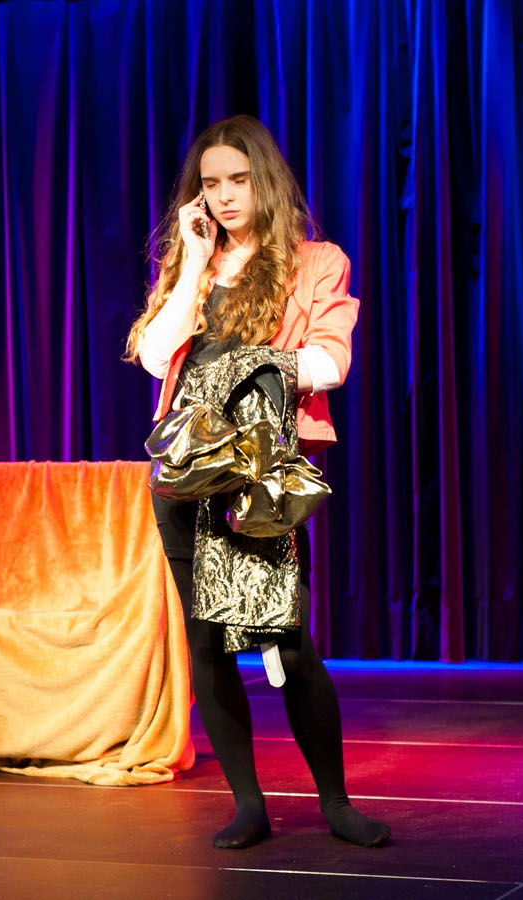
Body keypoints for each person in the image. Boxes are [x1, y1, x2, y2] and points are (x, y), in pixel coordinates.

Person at [124, 115, 391, 849]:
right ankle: (247, 804)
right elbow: (155, 358)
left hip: (260, 472)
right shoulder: (195, 263)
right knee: (207, 642)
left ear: (263, 181)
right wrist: (191, 262)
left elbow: (329, 361)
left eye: (238, 180)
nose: (224, 195)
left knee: (287, 640)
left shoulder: (315, 261)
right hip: (184, 472)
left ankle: (335, 803)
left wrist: (252, 366)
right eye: (210, 183)